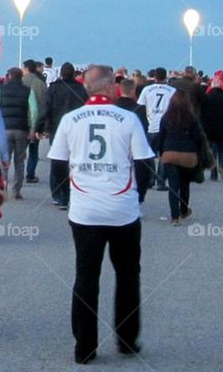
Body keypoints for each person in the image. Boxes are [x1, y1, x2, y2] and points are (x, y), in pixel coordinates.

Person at [47, 65, 153, 364]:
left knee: (86, 276)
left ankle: (85, 347)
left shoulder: (71, 120)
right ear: (110, 87)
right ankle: (127, 338)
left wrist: (71, 196)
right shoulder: (128, 118)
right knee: (128, 273)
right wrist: (137, 197)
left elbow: (56, 164)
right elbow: (145, 164)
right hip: (123, 210)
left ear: (86, 88)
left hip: (85, 212)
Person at [40, 62, 88, 210]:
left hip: (57, 129)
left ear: (61, 73)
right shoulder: (81, 90)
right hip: (77, 130)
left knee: (57, 161)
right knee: (74, 162)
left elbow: (46, 108)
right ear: (74, 74)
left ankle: (58, 194)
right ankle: (72, 192)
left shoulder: (53, 88)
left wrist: (40, 127)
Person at [157, 90, 204, 226]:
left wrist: (161, 152)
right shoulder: (192, 118)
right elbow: (198, 137)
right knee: (184, 184)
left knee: (173, 185)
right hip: (188, 154)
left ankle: (174, 217)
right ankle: (184, 210)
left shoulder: (166, 117)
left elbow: (161, 136)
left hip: (170, 153)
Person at [0, 67, 38, 199]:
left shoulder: (0, 89)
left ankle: (3, 189)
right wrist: (32, 129)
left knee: (4, 161)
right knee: (19, 161)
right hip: (21, 129)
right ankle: (16, 190)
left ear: (9, 76)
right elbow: (34, 110)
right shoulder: (28, 91)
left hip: (5, 130)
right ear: (21, 77)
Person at [137, 67, 177, 189]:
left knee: (149, 154)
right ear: (166, 77)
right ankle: (161, 181)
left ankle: (150, 179)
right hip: (166, 127)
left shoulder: (147, 90)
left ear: (154, 77)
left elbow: (141, 108)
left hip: (152, 126)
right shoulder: (172, 91)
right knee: (164, 155)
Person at [115, 79, 154, 203]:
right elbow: (144, 127)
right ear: (133, 91)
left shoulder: (113, 107)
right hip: (133, 146)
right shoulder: (140, 109)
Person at [22, 59, 47, 183]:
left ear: (27, 68)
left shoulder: (20, 82)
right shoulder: (41, 83)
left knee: (20, 151)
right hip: (35, 122)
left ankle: (19, 174)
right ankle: (30, 174)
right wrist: (41, 127)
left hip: (21, 122)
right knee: (33, 151)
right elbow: (43, 105)